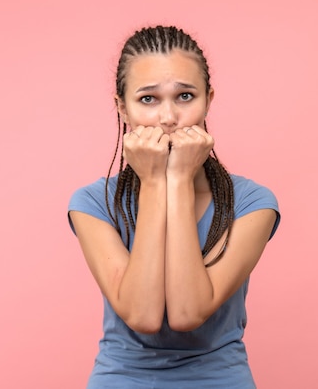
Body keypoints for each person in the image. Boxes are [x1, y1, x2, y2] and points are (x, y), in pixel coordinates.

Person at [68, 25, 281, 388]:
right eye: (148, 99)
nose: (168, 117)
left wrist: (179, 180)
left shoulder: (253, 203)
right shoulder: (92, 203)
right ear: (122, 108)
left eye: (185, 96)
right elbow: (143, 315)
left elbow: (187, 312)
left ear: (208, 101)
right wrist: (153, 182)